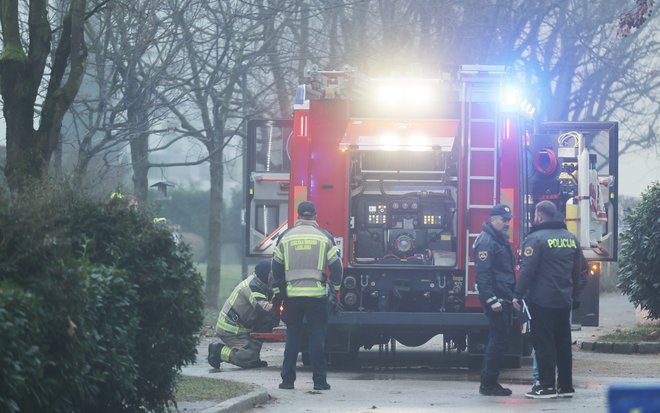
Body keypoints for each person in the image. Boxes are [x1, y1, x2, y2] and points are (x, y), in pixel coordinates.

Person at [513, 200, 588, 399]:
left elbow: (528, 271)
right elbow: (579, 271)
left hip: (542, 301)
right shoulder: (571, 239)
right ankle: (565, 385)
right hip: (564, 301)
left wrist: (517, 295)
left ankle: (546, 386)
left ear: (539, 215)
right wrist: (573, 294)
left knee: (544, 343)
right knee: (563, 343)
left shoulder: (535, 238)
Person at [272, 201, 343, 391]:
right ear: (315, 215)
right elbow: (337, 268)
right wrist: (334, 291)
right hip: (317, 297)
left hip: (292, 297)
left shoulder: (286, 237)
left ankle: (287, 381)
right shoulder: (324, 237)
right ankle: (320, 381)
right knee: (317, 340)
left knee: (293, 338)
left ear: (298, 215)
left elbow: (276, 268)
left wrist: (279, 294)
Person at [474, 204, 516, 396]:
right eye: (503, 219)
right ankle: (488, 384)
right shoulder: (486, 241)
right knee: (497, 341)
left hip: (504, 297)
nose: (506, 223)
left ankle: (490, 382)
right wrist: (491, 299)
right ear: (493, 219)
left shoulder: (499, 239)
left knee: (501, 341)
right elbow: (483, 275)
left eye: (508, 220)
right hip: (497, 300)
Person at [208, 260, 277, 369]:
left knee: (267, 321)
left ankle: (254, 357)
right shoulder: (252, 286)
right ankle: (218, 350)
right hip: (231, 330)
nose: (274, 277)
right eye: (272, 274)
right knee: (247, 358)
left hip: (242, 327)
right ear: (266, 273)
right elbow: (263, 308)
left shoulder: (261, 283)